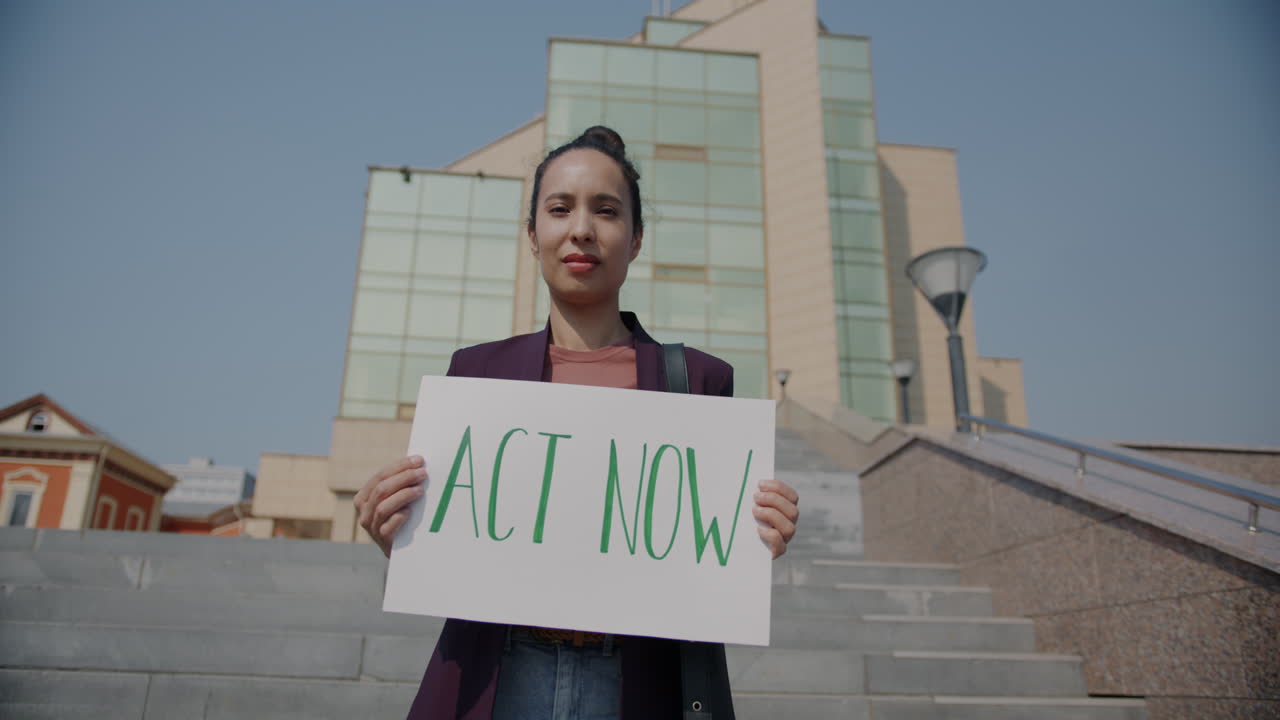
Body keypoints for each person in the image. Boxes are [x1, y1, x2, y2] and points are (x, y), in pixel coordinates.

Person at [354, 126, 800, 720]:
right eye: (559, 208)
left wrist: (752, 539)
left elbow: (701, 554)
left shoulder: (699, 381)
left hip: (636, 682)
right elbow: (455, 553)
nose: (581, 229)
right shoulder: (475, 374)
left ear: (636, 238)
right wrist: (399, 537)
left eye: (607, 211)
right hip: (498, 674)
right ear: (532, 234)